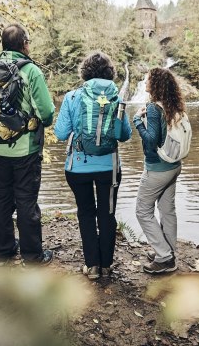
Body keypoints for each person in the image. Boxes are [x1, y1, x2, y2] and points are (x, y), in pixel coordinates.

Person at [54, 52, 132, 280]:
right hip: (110, 169)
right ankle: (107, 265)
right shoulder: (116, 98)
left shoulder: (71, 97)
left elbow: (60, 134)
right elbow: (125, 135)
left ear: (84, 72)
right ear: (110, 73)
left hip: (78, 168)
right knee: (107, 214)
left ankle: (92, 268)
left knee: (86, 213)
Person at [0, 24, 55, 266]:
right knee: (26, 199)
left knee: (3, 197)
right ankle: (32, 256)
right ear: (25, 44)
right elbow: (47, 113)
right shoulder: (31, 71)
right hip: (24, 148)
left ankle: (3, 252)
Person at [133, 67, 185, 274]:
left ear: (155, 84)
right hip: (174, 165)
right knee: (167, 210)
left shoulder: (154, 108)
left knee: (142, 211)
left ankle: (164, 257)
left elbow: (151, 140)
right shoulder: (174, 106)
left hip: (157, 168)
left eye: (147, 80)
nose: (145, 83)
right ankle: (169, 251)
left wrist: (137, 120)